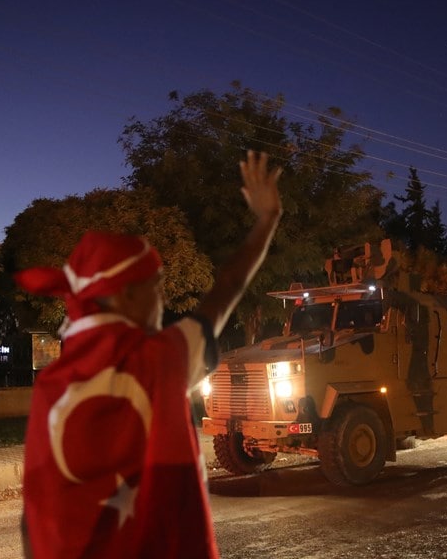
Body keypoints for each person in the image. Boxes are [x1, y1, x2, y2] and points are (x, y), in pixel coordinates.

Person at [16, 150, 282, 559]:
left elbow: (32, 517)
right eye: (155, 286)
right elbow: (226, 288)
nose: (162, 300)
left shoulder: (50, 386)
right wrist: (267, 220)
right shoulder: (161, 358)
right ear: (126, 294)